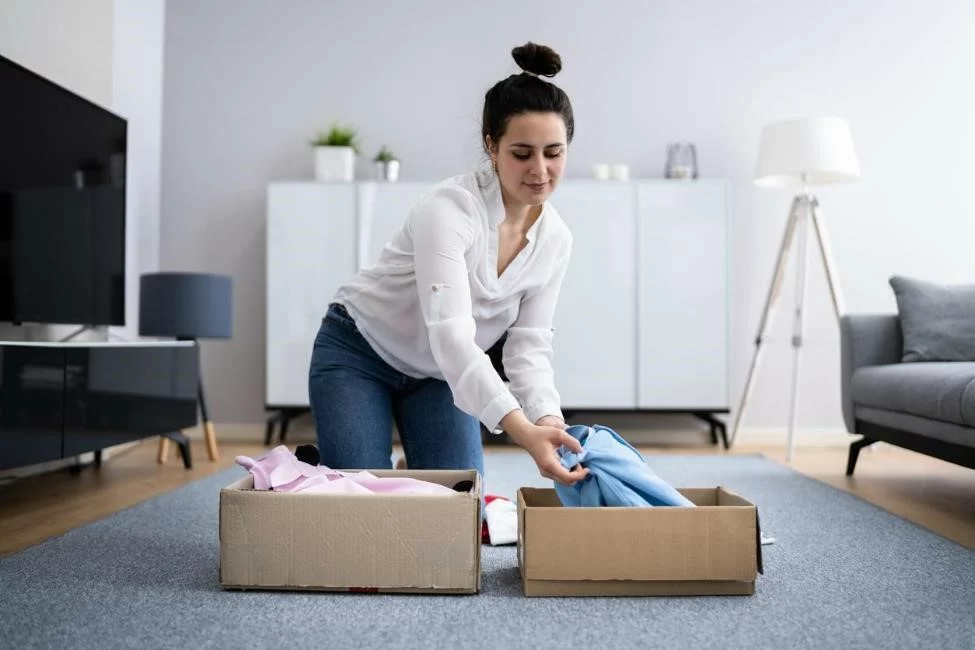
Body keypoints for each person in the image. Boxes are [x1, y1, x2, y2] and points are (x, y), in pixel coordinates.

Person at [307, 42, 588, 487]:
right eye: (522, 153)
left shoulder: (556, 240)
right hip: (359, 352)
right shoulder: (449, 209)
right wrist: (521, 431)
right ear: (491, 147)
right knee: (356, 498)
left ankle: (408, 469)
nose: (539, 169)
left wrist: (549, 421)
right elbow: (453, 337)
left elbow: (527, 347)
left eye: (553, 152)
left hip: (440, 377)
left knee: (460, 501)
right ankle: (341, 464)